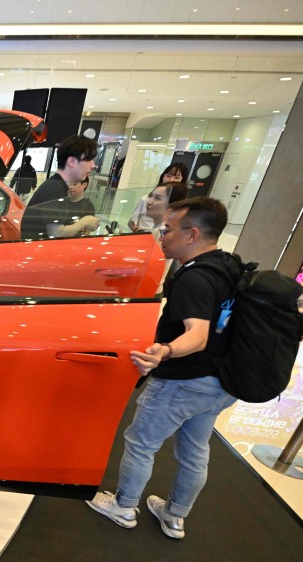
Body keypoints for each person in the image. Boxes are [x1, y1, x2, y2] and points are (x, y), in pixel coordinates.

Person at [86, 197, 241, 540]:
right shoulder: (229, 266)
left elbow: (197, 335)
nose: (162, 235)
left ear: (192, 234)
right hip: (220, 382)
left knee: (141, 443)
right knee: (195, 451)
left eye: (168, 229)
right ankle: (174, 516)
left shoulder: (194, 279)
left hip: (185, 380)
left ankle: (124, 506)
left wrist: (165, 351)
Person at [20, 134, 98, 239]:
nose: (93, 165)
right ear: (71, 162)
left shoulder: (58, 186)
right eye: (88, 160)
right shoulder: (54, 189)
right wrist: (85, 222)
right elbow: (56, 233)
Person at [127, 162, 189, 231]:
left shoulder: (182, 206)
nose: (171, 180)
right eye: (168, 176)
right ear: (163, 177)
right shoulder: (146, 200)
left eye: (176, 178)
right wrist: (139, 232)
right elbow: (131, 222)